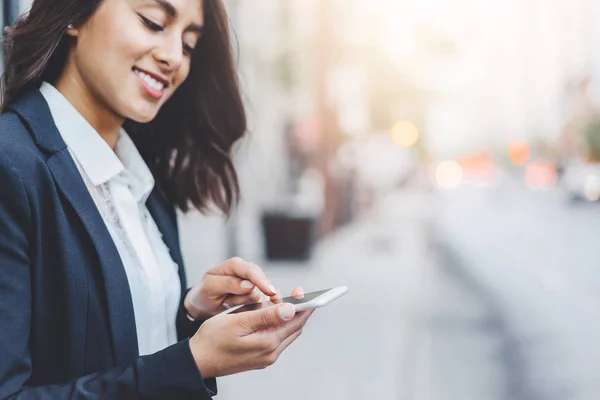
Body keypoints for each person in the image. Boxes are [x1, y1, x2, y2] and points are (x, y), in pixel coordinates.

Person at [0, 0, 314, 398]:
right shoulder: (11, 165)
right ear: (76, 15)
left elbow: (126, 348)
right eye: (152, 23)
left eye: (188, 45)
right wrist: (192, 361)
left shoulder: (142, 178)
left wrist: (190, 311)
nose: (172, 58)